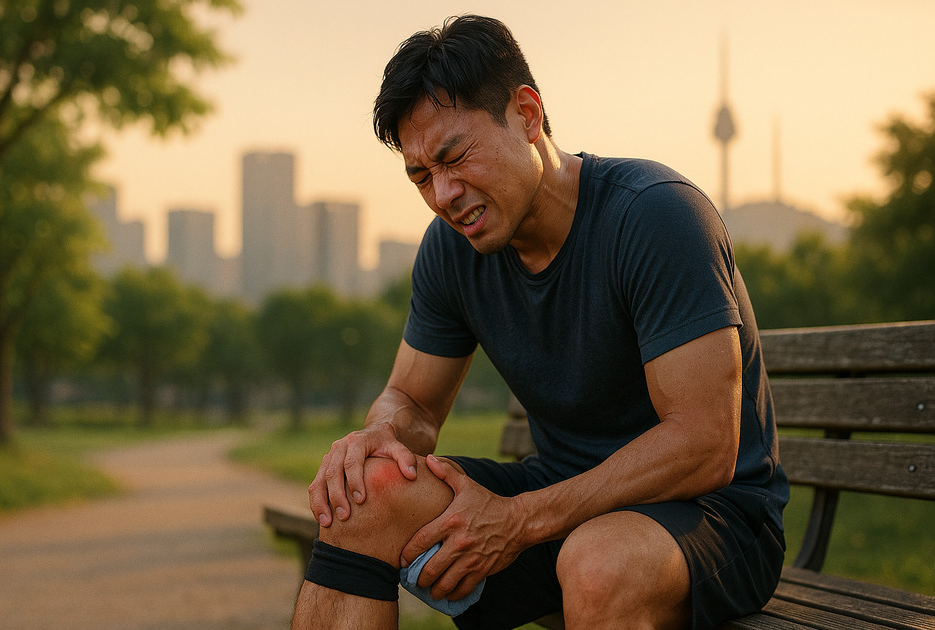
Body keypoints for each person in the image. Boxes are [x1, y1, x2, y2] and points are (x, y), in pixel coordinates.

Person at [292, 14, 788, 630]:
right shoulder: (451, 249)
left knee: (597, 563)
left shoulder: (655, 215)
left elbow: (705, 446)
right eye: (421, 176)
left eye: (454, 157)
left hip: (712, 514)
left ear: (526, 114)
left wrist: (521, 520)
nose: (442, 194)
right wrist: (376, 438)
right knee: (365, 497)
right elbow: (412, 405)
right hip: (559, 502)